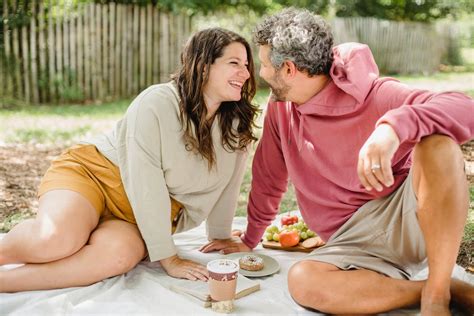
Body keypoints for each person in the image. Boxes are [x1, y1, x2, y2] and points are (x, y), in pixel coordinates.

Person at [200, 8, 474, 315]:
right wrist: (251, 238)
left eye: (264, 64)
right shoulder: (281, 108)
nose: (259, 73)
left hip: (408, 219)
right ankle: (443, 289)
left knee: (438, 144)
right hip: (350, 245)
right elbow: (269, 176)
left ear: (289, 69)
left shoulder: (375, 94)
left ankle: (436, 296)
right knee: (303, 281)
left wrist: (392, 128)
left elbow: (465, 106)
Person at [0, 27, 259, 292]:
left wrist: (219, 235)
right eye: (234, 63)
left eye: (247, 65)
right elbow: (144, 181)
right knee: (56, 240)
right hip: (95, 176)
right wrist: (168, 258)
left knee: (119, 256)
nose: (246, 73)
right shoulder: (157, 103)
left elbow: (229, 184)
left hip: (135, 216)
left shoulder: (236, 126)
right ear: (203, 67)